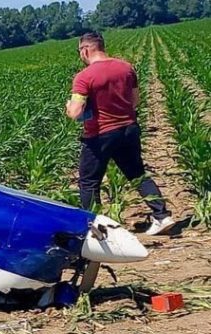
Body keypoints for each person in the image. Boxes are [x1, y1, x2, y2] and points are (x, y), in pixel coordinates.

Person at [65, 31, 175, 236]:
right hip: (129, 129)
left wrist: (69, 107)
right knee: (137, 174)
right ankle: (162, 216)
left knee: (88, 182)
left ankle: (95, 228)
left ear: (86, 49)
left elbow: (76, 113)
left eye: (80, 51)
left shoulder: (84, 77)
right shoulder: (126, 68)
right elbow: (135, 101)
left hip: (100, 135)